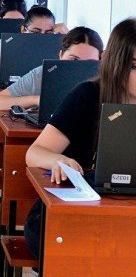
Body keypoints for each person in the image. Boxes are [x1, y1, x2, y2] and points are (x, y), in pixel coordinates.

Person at [24, 18, 136, 264]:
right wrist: (59, 160)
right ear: (116, 63)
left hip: (126, 215)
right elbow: (34, 153)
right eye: (135, 66)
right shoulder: (87, 95)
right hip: (69, 214)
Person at [0, 26, 103, 113]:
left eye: (90, 62)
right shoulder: (44, 73)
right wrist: (37, 100)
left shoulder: (105, 80)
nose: (80, 67)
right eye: (74, 59)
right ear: (61, 55)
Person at [0, 6, 66, 82]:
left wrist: (67, 35)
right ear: (23, 29)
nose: (42, 37)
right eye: (35, 32)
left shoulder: (60, 49)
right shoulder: (4, 45)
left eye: (48, 33)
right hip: (7, 96)